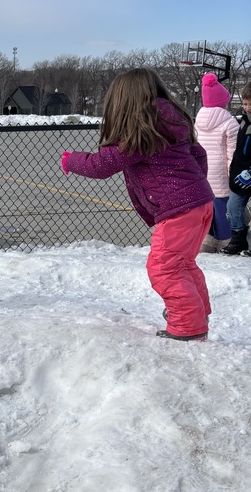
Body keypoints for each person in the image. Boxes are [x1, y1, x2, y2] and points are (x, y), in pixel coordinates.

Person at [61, 68, 214, 341]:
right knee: (183, 262)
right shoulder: (173, 123)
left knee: (163, 267)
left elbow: (102, 165)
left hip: (179, 209)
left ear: (123, 102)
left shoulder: (142, 131)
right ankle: (194, 312)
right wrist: (194, 187)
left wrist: (71, 160)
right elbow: (198, 155)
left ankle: (188, 325)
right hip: (201, 203)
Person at [194, 72, 239, 253]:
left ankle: (207, 240)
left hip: (202, 172)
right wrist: (233, 176)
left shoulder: (198, 121)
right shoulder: (230, 122)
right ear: (223, 101)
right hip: (221, 174)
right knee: (223, 210)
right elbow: (232, 154)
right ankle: (226, 242)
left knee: (207, 209)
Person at [224, 81, 251, 256]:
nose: (247, 108)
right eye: (245, 103)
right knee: (232, 206)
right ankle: (238, 240)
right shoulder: (244, 122)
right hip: (241, 175)